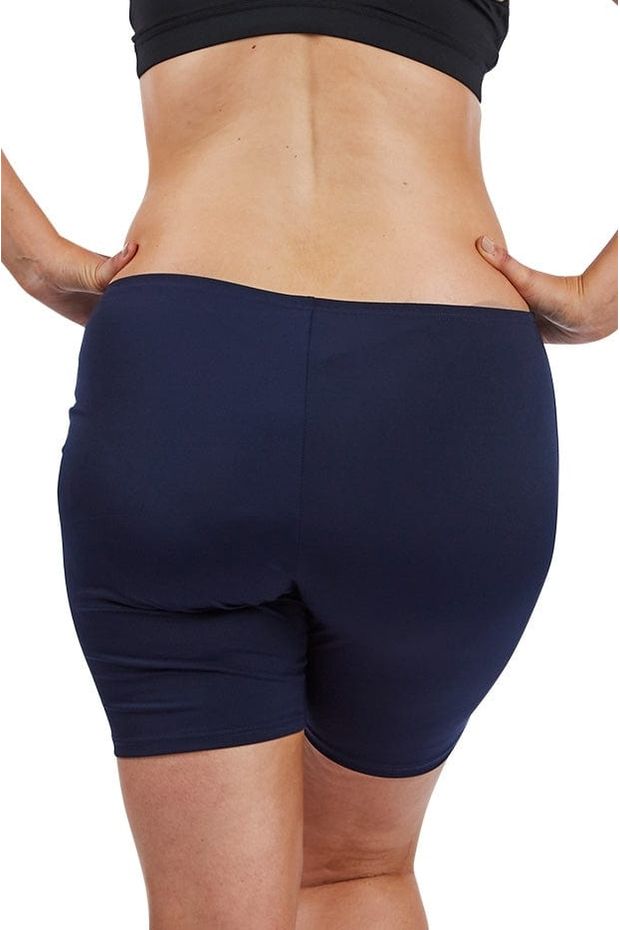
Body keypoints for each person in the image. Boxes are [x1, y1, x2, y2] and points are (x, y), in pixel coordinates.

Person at [1, 1, 617, 927]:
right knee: (352, 872)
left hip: (185, 369)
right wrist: (602, 295)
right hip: (443, 389)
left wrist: (34, 255)